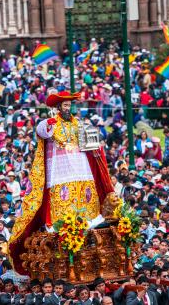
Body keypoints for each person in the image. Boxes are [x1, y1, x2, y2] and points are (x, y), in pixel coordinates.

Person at [9, 91, 113, 274]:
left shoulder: (78, 124)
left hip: (81, 169)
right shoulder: (51, 123)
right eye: (65, 106)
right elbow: (41, 131)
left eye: (69, 105)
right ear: (58, 107)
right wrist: (48, 123)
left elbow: (89, 142)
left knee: (87, 201)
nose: (68, 108)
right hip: (60, 172)